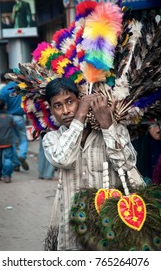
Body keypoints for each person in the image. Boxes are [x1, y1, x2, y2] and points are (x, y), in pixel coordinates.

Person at [42, 77, 145, 251]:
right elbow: (62, 158)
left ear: (80, 99)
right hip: (71, 236)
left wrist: (107, 126)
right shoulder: (51, 139)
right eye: (58, 105)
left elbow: (127, 165)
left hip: (108, 231)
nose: (66, 111)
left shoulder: (114, 130)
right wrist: (80, 115)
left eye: (70, 102)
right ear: (51, 110)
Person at [0, 72, 29, 172]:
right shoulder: (21, 87)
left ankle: (16, 163)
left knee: (12, 141)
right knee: (23, 139)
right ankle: (22, 155)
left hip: (9, 118)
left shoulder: (4, 90)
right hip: (20, 117)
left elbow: (3, 105)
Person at [0, 99, 14, 183]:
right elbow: (12, 126)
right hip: (8, 141)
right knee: (8, 158)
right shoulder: (10, 116)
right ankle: (7, 176)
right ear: (4, 106)